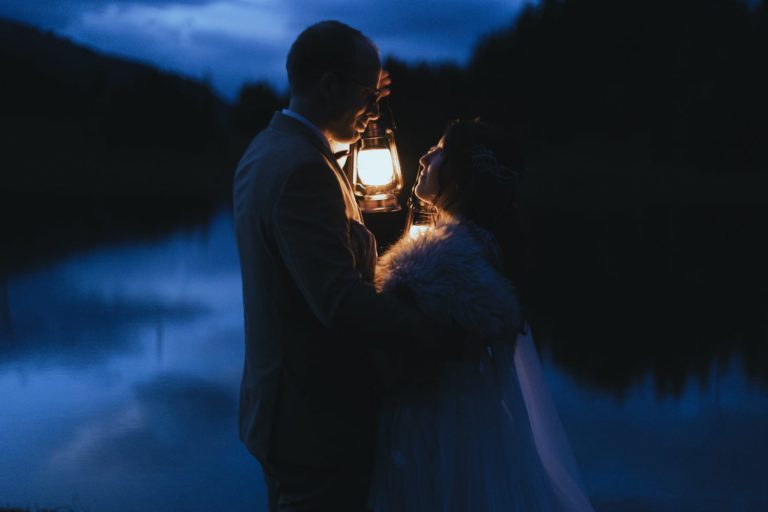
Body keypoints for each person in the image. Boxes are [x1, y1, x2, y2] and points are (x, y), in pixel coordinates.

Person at [232, 21, 460, 512]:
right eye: (367, 96)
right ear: (330, 86)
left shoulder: (266, 150)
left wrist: (359, 96)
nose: (373, 110)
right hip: (314, 424)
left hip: (284, 412)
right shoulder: (303, 172)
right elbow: (341, 303)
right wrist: (436, 333)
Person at [370, 119, 596, 511]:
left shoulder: (434, 262)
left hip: (433, 433)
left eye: (439, 150)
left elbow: (389, 352)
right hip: (481, 427)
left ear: (460, 174)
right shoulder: (485, 247)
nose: (424, 157)